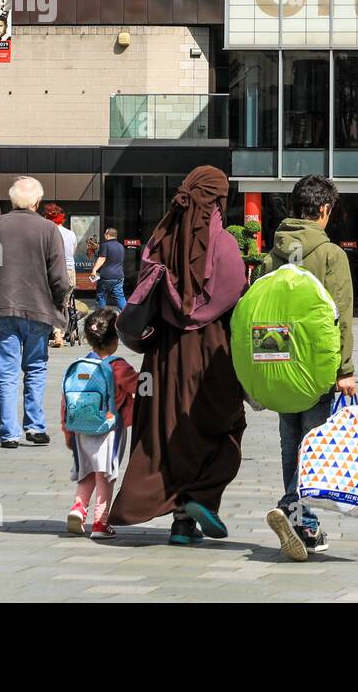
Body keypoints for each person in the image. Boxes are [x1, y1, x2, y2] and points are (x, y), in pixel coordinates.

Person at [110, 166, 249, 546]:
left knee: (167, 430)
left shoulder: (161, 237)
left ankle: (181, 524)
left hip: (162, 356)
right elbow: (235, 291)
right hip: (211, 354)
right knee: (225, 427)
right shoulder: (223, 244)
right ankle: (199, 498)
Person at [257, 174, 356, 561]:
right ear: (325, 210)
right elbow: (341, 315)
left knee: (291, 439)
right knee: (314, 442)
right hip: (317, 364)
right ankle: (292, 506)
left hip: (278, 359)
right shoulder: (331, 254)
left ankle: (304, 526)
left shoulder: (273, 253)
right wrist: (345, 369)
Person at [0, 177, 72, 448]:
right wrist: (60, 307)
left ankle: (9, 432)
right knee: (36, 366)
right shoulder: (49, 230)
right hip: (38, 308)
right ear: (37, 201)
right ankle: (35, 427)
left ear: (12, 200)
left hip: (2, 306)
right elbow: (59, 278)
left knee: (6, 371)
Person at [64, 307, 138, 541]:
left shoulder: (81, 364)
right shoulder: (118, 366)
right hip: (109, 430)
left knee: (87, 473)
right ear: (116, 339)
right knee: (105, 475)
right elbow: (138, 386)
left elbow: (66, 402)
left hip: (80, 430)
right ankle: (100, 522)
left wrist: (67, 431)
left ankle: (78, 508)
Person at [42, 203, 78, 348]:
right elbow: (72, 252)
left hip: (50, 271)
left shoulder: (46, 233)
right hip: (69, 272)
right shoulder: (71, 234)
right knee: (63, 303)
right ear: (62, 219)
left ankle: (53, 333)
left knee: (48, 303)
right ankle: (60, 333)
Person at [91, 228, 126, 309]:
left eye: (105, 234)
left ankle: (100, 316)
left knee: (101, 296)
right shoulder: (121, 246)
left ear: (107, 235)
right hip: (119, 276)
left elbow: (102, 258)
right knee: (120, 296)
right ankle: (126, 316)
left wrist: (94, 269)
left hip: (106, 276)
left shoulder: (105, 245)